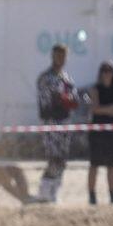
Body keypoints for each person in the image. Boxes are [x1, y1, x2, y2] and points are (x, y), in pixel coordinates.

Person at [36, 43, 80, 203]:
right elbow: (47, 103)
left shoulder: (67, 78)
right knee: (53, 158)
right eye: (58, 55)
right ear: (52, 56)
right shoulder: (45, 78)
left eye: (63, 56)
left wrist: (68, 101)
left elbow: (74, 100)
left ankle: (54, 192)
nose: (60, 59)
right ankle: (43, 192)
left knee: (62, 159)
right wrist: (61, 100)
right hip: (51, 122)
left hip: (65, 123)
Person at [85, 59, 113, 205]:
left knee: (111, 165)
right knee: (94, 165)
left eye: (109, 70)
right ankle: (92, 196)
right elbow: (93, 108)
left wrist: (106, 109)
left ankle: (112, 195)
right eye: (104, 70)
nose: (107, 73)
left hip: (111, 131)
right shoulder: (95, 89)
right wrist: (110, 109)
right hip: (97, 131)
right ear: (100, 73)